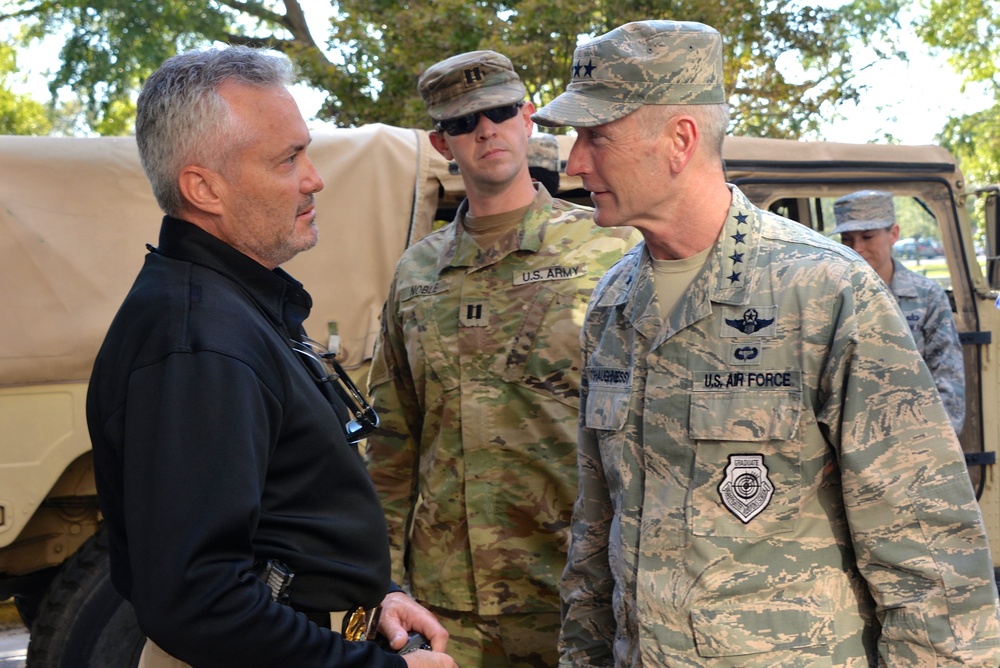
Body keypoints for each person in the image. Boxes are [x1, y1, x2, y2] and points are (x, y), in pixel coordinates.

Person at [531, 20, 1000, 666]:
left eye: (596, 136)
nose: (574, 163)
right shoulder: (615, 304)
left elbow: (933, 564)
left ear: (679, 140)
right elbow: (595, 533)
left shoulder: (824, 291)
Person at [86, 45, 456, 668]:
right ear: (203, 187)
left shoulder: (233, 305)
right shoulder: (199, 342)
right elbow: (199, 599)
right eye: (287, 159)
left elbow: (283, 515)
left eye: (305, 150)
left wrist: (375, 595)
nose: (313, 178)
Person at [364, 50, 638, 667]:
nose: (485, 130)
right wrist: (382, 581)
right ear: (442, 143)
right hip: (446, 609)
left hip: (576, 593)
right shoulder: (416, 274)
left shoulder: (610, 249)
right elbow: (392, 442)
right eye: (464, 122)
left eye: (500, 111)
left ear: (529, 117)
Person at [833, 189, 966, 433]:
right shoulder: (830, 296)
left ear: (893, 234)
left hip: (914, 438)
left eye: (868, 236)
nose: (857, 248)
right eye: (847, 239)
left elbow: (948, 380)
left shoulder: (927, 296)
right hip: (849, 441)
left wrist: (935, 443)